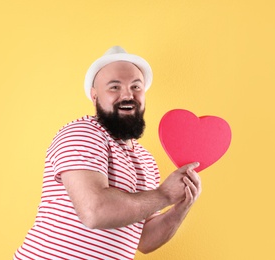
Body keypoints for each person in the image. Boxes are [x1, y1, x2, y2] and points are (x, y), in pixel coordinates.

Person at [13, 46, 202, 260]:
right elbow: (95, 211)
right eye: (114, 87)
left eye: (136, 86)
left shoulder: (147, 161)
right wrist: (165, 194)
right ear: (95, 97)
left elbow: (145, 240)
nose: (128, 94)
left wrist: (182, 205)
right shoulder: (81, 133)